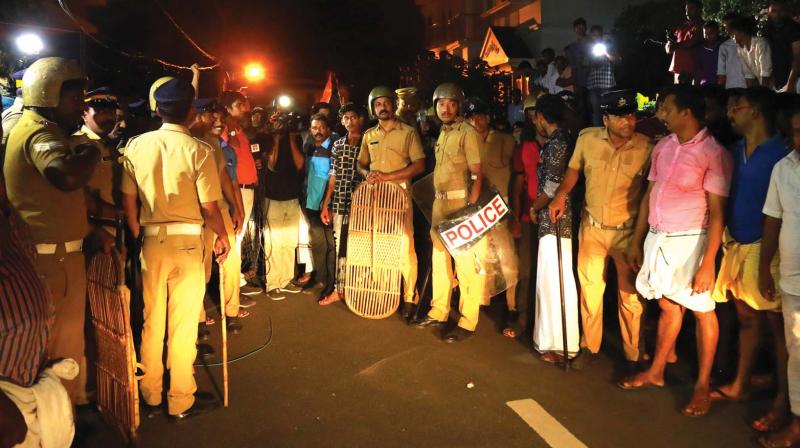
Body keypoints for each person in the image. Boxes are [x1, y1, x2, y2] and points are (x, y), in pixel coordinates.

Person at [120, 78, 230, 421]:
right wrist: (223, 237)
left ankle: (149, 393)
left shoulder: (136, 146)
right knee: (182, 325)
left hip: (152, 240)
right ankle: (180, 398)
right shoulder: (199, 150)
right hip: (186, 241)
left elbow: (129, 199)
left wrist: (140, 234)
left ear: (157, 109)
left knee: (152, 321)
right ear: (191, 111)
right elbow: (210, 207)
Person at [620, 85, 732, 419]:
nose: (660, 114)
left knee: (701, 310)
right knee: (668, 304)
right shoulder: (664, 147)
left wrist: (708, 263)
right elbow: (649, 195)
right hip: (658, 235)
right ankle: (656, 372)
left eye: (666, 108)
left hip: (691, 240)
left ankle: (702, 385)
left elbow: (717, 214)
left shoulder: (714, 153)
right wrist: (638, 238)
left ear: (686, 112)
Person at [3, 57, 100, 404]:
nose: (82, 106)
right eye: (75, 99)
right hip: (52, 261)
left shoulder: (33, 128)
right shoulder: (40, 132)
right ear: (49, 95)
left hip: (48, 256)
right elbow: (66, 175)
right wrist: (92, 151)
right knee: (61, 351)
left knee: (60, 346)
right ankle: (59, 426)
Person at [548, 90, 652, 372]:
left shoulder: (647, 147)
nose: (628, 121)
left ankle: (633, 355)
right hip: (591, 228)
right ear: (605, 119)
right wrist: (560, 196)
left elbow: (649, 195)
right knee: (590, 292)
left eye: (631, 115)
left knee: (630, 298)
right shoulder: (587, 139)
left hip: (627, 232)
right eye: (620, 116)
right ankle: (589, 346)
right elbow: (573, 171)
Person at [710, 88, 790, 430]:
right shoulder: (734, 150)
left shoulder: (781, 154)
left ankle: (784, 400)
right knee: (746, 317)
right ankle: (742, 383)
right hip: (738, 242)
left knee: (780, 330)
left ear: (755, 112)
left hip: (767, 248)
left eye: (736, 107)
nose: (730, 114)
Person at [412, 83, 485, 343]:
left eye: (451, 103)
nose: (445, 108)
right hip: (439, 205)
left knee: (465, 266)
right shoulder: (442, 134)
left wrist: (471, 210)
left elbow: (477, 173)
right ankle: (439, 310)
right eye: (441, 104)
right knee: (440, 260)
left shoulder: (468, 133)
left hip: (460, 205)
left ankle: (468, 320)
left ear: (460, 106)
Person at [358, 86, 424, 319]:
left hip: (400, 196)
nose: (382, 107)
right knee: (378, 241)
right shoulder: (369, 135)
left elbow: (419, 165)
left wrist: (388, 177)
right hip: (374, 199)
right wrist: (366, 174)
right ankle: (384, 288)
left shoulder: (408, 132)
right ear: (372, 107)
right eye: (378, 104)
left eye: (386, 103)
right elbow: (361, 163)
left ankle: (409, 296)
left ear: (393, 105)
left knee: (405, 246)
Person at [758, 103, 800, 448]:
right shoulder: (783, 168)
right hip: (793, 280)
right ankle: (797, 424)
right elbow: (773, 220)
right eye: (797, 131)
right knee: (797, 353)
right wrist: (763, 269)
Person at [189, 98, 249, 334]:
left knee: (231, 260)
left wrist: (235, 207)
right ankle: (198, 316)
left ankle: (231, 310)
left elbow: (224, 176)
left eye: (218, 117)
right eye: (211, 116)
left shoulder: (213, 143)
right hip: (195, 210)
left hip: (219, 207)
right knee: (200, 264)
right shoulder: (187, 142)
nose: (217, 121)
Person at [527, 94, 579, 363]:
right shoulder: (558, 142)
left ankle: (559, 343)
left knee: (555, 280)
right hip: (553, 218)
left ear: (541, 117)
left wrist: (534, 207)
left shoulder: (559, 143)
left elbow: (552, 186)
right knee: (550, 279)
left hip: (556, 218)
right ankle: (550, 339)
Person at [464, 96, 520, 332]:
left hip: (499, 209)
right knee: (480, 257)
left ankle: (512, 307)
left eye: (481, 115)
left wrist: (514, 213)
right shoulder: (466, 141)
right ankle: (480, 301)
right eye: (473, 116)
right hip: (477, 209)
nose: (477, 120)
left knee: (508, 260)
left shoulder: (506, 141)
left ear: (488, 117)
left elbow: (517, 177)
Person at [320, 103, 366, 305]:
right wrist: (326, 203)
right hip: (340, 201)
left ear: (361, 119)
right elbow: (333, 176)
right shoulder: (338, 145)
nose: (349, 121)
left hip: (364, 203)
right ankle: (340, 289)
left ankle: (359, 288)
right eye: (345, 118)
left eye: (353, 117)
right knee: (341, 245)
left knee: (361, 245)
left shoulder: (370, 141)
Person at [262, 111, 306, 299]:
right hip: (274, 198)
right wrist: (277, 140)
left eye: (283, 124)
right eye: (277, 124)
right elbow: (271, 165)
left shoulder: (295, 141)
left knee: (288, 242)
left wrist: (290, 140)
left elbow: (299, 165)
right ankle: (273, 283)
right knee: (273, 241)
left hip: (292, 197)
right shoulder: (269, 140)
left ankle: (286, 279)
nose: (281, 127)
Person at [508, 94, 541, 338]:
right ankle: (523, 318)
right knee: (527, 270)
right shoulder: (524, 147)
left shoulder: (562, 144)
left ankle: (544, 325)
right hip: (529, 219)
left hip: (554, 219)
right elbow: (518, 185)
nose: (535, 118)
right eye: (531, 113)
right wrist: (517, 218)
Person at [219, 90, 259, 284]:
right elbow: (227, 159)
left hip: (247, 188)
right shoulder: (224, 130)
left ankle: (235, 281)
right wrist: (231, 128)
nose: (245, 109)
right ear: (227, 109)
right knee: (236, 233)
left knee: (239, 235)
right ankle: (232, 284)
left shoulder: (239, 129)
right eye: (240, 105)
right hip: (237, 190)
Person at [303, 114, 337, 303]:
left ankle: (332, 284)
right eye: (314, 128)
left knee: (331, 244)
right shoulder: (309, 148)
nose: (318, 131)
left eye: (321, 127)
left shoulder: (334, 149)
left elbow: (334, 179)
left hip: (326, 205)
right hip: (311, 202)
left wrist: (328, 204)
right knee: (318, 243)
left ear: (328, 129)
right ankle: (320, 278)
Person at [587, 25, 620, 126]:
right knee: (596, 111)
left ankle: (610, 131)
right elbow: (585, 64)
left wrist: (605, 52)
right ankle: (598, 133)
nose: (596, 37)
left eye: (598, 34)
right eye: (594, 35)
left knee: (608, 109)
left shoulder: (609, 45)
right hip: (593, 83)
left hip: (607, 83)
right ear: (591, 35)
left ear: (602, 35)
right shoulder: (588, 47)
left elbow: (617, 60)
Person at [765, 0, 800, 92]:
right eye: (773, 11)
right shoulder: (769, 30)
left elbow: (797, 56)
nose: (777, 14)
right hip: (777, 81)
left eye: (780, 10)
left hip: (795, 80)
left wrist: (791, 83)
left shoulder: (794, 28)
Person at [667, 0, 705, 84]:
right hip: (678, 68)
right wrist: (668, 46)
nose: (687, 12)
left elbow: (692, 42)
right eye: (686, 9)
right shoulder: (683, 26)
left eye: (691, 9)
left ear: (699, 10)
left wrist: (675, 46)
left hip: (692, 68)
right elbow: (672, 45)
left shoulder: (703, 26)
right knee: (678, 93)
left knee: (689, 94)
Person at [730, 16, 773, 87]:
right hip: (763, 86)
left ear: (741, 32)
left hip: (775, 86)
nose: (731, 36)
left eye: (733, 33)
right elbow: (748, 74)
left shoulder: (761, 44)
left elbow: (766, 73)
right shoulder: (740, 49)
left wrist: (763, 92)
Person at [718, 13, 748, 89]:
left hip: (749, 87)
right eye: (725, 26)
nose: (727, 29)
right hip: (731, 88)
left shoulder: (752, 43)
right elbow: (721, 73)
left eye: (730, 25)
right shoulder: (724, 47)